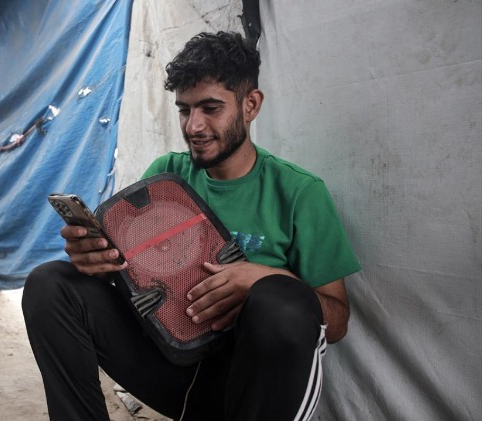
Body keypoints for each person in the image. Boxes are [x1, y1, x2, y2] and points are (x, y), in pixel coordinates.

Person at [22, 31, 361, 421]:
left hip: (249, 389)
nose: (194, 126)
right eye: (184, 110)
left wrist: (266, 278)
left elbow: (337, 322)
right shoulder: (165, 176)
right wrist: (94, 261)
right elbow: (130, 275)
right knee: (51, 284)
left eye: (210, 108)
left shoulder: (300, 193)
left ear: (250, 105)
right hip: (170, 364)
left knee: (279, 301)